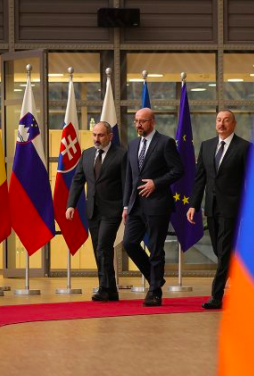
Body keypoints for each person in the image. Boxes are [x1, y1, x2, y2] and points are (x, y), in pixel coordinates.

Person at [187, 110, 251, 309]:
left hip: (232, 207)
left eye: (226, 120)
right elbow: (200, 179)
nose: (221, 124)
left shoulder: (245, 147)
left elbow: (252, 180)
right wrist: (193, 204)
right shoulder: (206, 146)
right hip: (211, 208)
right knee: (220, 250)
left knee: (223, 251)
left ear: (234, 124)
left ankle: (216, 296)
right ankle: (247, 286)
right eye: (219, 120)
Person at [123, 107, 184, 306]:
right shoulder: (133, 144)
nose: (138, 124)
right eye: (136, 121)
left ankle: (155, 292)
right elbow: (129, 177)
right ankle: (155, 278)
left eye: (142, 121)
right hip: (135, 205)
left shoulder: (165, 142)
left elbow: (178, 170)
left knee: (156, 248)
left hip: (158, 204)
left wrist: (156, 183)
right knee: (129, 243)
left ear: (152, 122)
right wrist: (125, 206)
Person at [66, 121, 127, 302]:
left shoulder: (121, 155)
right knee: (99, 249)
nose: (96, 138)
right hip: (93, 210)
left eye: (100, 135)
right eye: (94, 135)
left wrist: (126, 207)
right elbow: (78, 181)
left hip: (112, 210)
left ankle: (104, 288)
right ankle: (111, 290)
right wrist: (71, 205)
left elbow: (127, 183)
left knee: (103, 247)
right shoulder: (87, 154)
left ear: (110, 136)